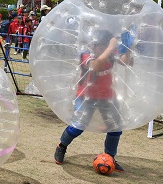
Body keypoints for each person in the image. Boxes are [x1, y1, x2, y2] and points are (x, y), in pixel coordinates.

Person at [54, 29, 133, 172]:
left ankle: (110, 157)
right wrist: (110, 48)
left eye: (105, 45)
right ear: (94, 45)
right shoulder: (86, 54)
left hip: (107, 96)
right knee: (77, 127)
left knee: (115, 128)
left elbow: (127, 63)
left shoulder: (110, 55)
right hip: (86, 97)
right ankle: (62, 146)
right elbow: (96, 66)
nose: (102, 48)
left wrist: (128, 49)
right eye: (100, 45)